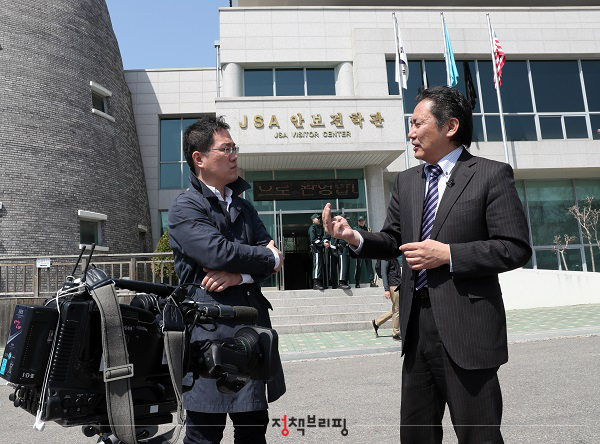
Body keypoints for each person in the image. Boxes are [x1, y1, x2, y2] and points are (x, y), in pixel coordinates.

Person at [323, 86, 531, 443]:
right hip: (416, 327)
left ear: (450, 126)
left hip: (468, 329)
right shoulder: (407, 181)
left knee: (478, 435)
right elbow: (392, 241)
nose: (410, 133)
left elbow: (514, 247)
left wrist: (449, 255)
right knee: (416, 434)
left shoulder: (490, 175)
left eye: (417, 123)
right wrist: (352, 238)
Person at [168, 116, 286, 444]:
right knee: (204, 433)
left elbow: (276, 257)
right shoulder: (185, 207)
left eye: (235, 148)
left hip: (251, 335)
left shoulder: (244, 207)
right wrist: (266, 257)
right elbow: (216, 253)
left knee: (253, 430)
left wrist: (240, 275)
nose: (235, 155)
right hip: (210, 338)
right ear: (199, 158)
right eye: (226, 148)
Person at [371, 256, 402, 341]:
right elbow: (383, 273)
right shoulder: (385, 257)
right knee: (397, 309)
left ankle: (377, 323)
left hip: (397, 284)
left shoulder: (393, 256)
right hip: (393, 285)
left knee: (396, 308)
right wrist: (386, 289)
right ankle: (395, 333)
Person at [354, 216, 377, 288]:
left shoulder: (368, 229)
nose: (361, 222)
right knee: (359, 267)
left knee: (369, 266)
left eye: (362, 220)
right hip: (359, 250)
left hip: (367, 250)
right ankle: (357, 282)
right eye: (360, 221)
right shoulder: (356, 230)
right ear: (358, 221)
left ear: (365, 221)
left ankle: (371, 281)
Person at [308, 213, 326, 290]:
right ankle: (315, 283)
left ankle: (319, 282)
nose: (319, 220)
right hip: (316, 250)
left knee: (320, 266)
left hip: (320, 250)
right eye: (317, 218)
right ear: (313, 220)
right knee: (317, 266)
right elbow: (313, 240)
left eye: (319, 218)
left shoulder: (319, 228)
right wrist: (323, 243)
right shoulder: (312, 228)